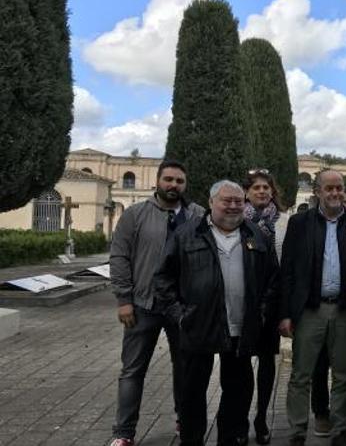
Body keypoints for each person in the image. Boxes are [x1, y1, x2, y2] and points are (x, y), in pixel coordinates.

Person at [154, 180, 278, 446]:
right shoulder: (186, 235)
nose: (233, 206)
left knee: (238, 392)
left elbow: (272, 280)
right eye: (226, 200)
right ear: (211, 203)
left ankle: (230, 439)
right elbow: (163, 280)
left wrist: (262, 312)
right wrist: (180, 315)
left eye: (238, 201)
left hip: (240, 330)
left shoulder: (257, 235)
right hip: (198, 327)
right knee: (192, 394)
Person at [109, 160, 204, 446]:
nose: (173, 185)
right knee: (132, 371)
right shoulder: (136, 214)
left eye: (179, 181)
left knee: (184, 368)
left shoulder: (198, 215)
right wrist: (123, 299)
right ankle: (124, 433)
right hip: (143, 305)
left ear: (185, 185)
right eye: (169, 180)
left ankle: (184, 420)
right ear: (158, 181)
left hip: (183, 307)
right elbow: (119, 256)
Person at [278, 170, 346, 446]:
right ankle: (297, 431)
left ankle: (340, 429)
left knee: (343, 374)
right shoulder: (300, 223)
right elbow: (288, 271)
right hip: (310, 310)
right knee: (301, 374)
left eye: (339, 188)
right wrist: (285, 313)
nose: (335, 193)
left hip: (344, 309)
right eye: (329, 188)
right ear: (317, 191)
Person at [305, 182, 346, 438]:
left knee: (345, 369)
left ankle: (342, 423)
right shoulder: (306, 223)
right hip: (316, 306)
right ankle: (320, 412)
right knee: (317, 366)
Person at [242, 169, 283, 445]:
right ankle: (240, 417)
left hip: (273, 300)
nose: (261, 191)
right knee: (240, 363)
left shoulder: (283, 222)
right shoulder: (237, 222)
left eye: (266, 187)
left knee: (267, 362)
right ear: (247, 192)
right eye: (256, 187)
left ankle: (261, 418)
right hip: (243, 303)